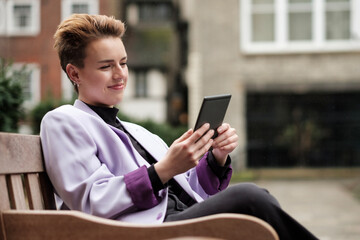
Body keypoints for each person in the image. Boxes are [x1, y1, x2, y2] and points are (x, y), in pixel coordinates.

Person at [40, 14, 318, 240]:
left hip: (174, 218)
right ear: (74, 73)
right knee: (249, 197)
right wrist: (164, 169)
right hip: (138, 232)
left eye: (123, 63)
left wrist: (215, 157)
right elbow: (91, 200)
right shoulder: (63, 121)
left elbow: (190, 188)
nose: (120, 74)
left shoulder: (137, 132)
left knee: (253, 199)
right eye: (106, 66)